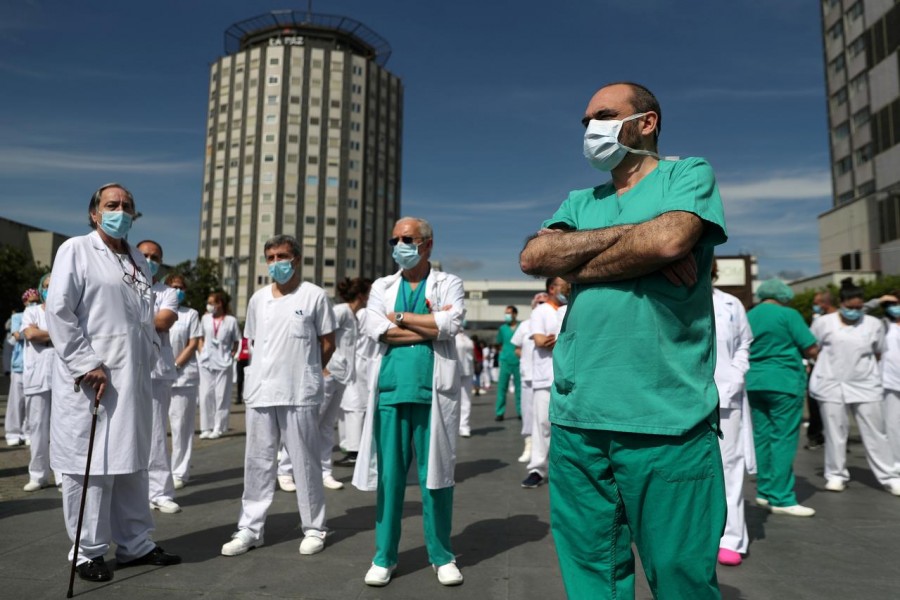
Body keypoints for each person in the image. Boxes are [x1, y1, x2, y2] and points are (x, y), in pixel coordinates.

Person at [519, 82, 728, 598]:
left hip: (666, 420)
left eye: (605, 115)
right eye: (586, 120)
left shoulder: (688, 173)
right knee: (591, 577)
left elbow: (670, 238)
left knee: (682, 578)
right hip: (577, 420)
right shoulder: (579, 199)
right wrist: (640, 247)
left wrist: (580, 264)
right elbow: (533, 259)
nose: (591, 129)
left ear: (647, 123)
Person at [45, 182, 180, 583]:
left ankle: (136, 542)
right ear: (95, 212)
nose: (120, 210)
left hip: (134, 377)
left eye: (127, 205)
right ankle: (86, 551)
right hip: (95, 378)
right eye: (112, 204)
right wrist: (87, 363)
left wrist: (151, 354)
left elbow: (144, 317)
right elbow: (59, 311)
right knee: (91, 468)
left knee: (133, 463)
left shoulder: (139, 259)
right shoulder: (76, 250)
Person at [352, 217, 465, 587]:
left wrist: (398, 318)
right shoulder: (382, 286)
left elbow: (451, 325)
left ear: (427, 245)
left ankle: (442, 555)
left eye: (407, 239)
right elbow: (375, 330)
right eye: (395, 239)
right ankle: (384, 556)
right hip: (391, 391)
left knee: (436, 477)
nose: (399, 245)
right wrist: (426, 326)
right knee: (390, 477)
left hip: (433, 392)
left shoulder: (449, 283)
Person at [221, 235, 335, 557]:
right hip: (261, 391)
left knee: (304, 462)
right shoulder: (258, 299)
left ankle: (314, 527)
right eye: (270, 257)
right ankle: (249, 529)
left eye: (282, 256)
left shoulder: (314, 296)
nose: (276, 263)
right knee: (257, 463)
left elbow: (328, 342)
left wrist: (308, 370)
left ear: (296, 259)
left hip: (299, 391)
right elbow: (254, 343)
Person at [809, 278, 900, 495]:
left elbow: (879, 350)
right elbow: (813, 348)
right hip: (830, 383)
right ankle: (836, 474)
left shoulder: (873, 324)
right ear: (841, 303)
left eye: (859, 307)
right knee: (835, 432)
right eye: (850, 308)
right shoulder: (823, 323)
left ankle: (890, 476)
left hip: (865, 383)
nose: (855, 312)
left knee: (875, 432)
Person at [746, 279, 819, 517]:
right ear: (783, 294)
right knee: (783, 439)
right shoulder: (788, 315)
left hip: (753, 381)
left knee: (762, 436)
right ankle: (782, 497)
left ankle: (765, 490)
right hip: (784, 381)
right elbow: (810, 348)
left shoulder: (750, 315)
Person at [710, 263, 754, 566]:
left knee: (729, 467)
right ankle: (694, 535)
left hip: (725, 394)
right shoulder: (666, 298)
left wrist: (737, 374)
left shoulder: (730, 303)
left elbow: (744, 343)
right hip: (678, 397)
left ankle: (731, 537)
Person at [136, 240, 181, 514]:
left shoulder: (168, 293)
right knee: (128, 434)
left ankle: (160, 491)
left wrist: (133, 319)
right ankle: (133, 492)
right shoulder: (122, 288)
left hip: (157, 372)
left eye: (155, 257)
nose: (150, 260)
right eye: (145, 256)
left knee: (154, 434)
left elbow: (164, 321)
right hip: (126, 368)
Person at [317, 277, 369, 490]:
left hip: (342, 377)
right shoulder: (340, 311)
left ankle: (325, 472)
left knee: (327, 426)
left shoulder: (354, 316)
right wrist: (322, 367)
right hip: (329, 374)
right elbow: (318, 335)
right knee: (310, 423)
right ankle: (288, 468)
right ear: (361, 295)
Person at [521, 279, 568, 489]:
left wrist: (557, 340)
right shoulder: (540, 312)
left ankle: (565, 471)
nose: (567, 287)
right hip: (544, 377)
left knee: (567, 426)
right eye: (563, 284)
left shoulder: (570, 309)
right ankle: (537, 469)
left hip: (567, 375)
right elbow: (541, 341)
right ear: (552, 288)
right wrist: (563, 340)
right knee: (542, 424)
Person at [21, 275, 59, 491]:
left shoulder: (66, 311)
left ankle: (63, 475)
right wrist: (56, 336)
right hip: (37, 377)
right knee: (37, 427)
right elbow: (31, 334)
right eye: (45, 286)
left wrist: (44, 334)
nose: (49, 289)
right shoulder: (31, 312)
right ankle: (38, 474)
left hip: (62, 377)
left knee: (61, 428)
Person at [164, 274, 202, 490]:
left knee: (181, 428)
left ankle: (179, 471)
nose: (177, 291)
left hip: (183, 377)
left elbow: (192, 343)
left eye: (181, 287)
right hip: (159, 376)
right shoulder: (157, 311)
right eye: (173, 286)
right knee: (157, 428)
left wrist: (175, 365)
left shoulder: (190, 314)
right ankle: (157, 471)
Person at [335, 278, 374, 467]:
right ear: (361, 295)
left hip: (356, 367)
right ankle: (351, 448)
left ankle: (354, 450)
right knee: (351, 407)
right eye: (369, 293)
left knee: (354, 407)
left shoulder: (359, 313)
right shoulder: (344, 311)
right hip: (345, 367)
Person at [197, 291, 241, 439]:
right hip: (207, 361)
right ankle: (206, 427)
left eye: (211, 303)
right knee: (205, 395)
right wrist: (201, 350)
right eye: (208, 302)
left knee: (221, 395)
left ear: (219, 303)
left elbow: (237, 341)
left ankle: (219, 427)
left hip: (223, 362)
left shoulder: (231, 321)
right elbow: (200, 337)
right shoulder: (205, 318)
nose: (209, 306)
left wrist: (232, 354)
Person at [512, 293, 547, 464]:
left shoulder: (552, 324)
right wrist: (527, 360)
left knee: (546, 417)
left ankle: (547, 452)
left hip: (548, 377)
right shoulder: (525, 326)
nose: (540, 305)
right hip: (529, 377)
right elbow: (517, 348)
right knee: (528, 413)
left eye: (544, 303)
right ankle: (529, 445)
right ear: (533, 305)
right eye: (538, 303)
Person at [805, 290, 837, 450]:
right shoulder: (819, 320)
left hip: (834, 368)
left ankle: (836, 438)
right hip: (817, 367)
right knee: (814, 403)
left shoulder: (833, 320)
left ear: (825, 303)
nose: (815, 306)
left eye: (817, 303)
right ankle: (816, 435)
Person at [5, 289, 35, 446]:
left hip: (34, 365)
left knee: (32, 402)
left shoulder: (40, 314)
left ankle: (28, 432)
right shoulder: (17, 317)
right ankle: (13, 432)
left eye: (36, 301)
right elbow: (16, 335)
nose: (33, 304)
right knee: (16, 402)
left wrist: (33, 332)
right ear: (25, 302)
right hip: (19, 365)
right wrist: (33, 332)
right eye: (31, 301)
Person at [494, 306, 521, 421]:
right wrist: (503, 354)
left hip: (519, 361)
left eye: (509, 313)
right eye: (506, 313)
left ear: (515, 314)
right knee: (502, 388)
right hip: (505, 361)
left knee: (520, 389)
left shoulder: (521, 327)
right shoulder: (502, 328)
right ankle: (500, 412)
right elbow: (499, 343)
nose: (507, 315)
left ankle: (521, 411)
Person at [455, 323, 475, 438]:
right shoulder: (450, 335)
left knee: (466, 399)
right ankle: (453, 425)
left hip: (468, 371)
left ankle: (464, 426)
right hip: (454, 371)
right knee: (454, 400)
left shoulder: (466, 337)